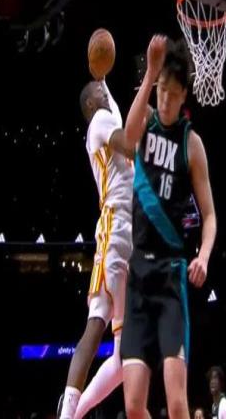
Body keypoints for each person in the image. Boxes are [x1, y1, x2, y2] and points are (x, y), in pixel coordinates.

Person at [119, 34, 217, 419]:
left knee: (177, 404)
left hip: (170, 275)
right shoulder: (145, 121)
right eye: (161, 90)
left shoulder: (192, 144)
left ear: (184, 96)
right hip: (138, 275)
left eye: (173, 94)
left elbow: (210, 215)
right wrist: (150, 73)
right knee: (133, 406)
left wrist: (203, 256)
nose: (165, 100)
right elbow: (127, 139)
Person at [57, 72, 134, 419]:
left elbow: (112, 99)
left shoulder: (107, 113)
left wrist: (103, 72)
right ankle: (69, 411)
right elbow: (130, 145)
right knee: (99, 325)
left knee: (119, 355)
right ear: (91, 103)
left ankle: (72, 413)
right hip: (117, 228)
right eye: (100, 91)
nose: (106, 92)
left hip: (123, 230)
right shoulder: (101, 120)